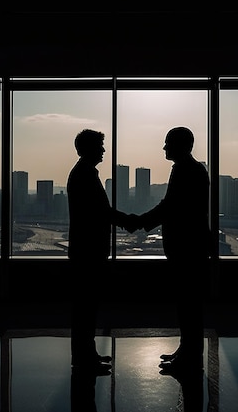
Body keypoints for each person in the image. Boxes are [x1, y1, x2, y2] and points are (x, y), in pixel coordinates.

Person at [134, 126, 211, 372]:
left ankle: (189, 355)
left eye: (168, 143)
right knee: (188, 302)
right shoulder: (193, 169)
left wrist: (141, 221)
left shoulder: (185, 170)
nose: (164, 148)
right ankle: (187, 349)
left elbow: (170, 206)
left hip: (187, 247)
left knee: (188, 303)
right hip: (191, 246)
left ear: (180, 145)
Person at [67, 128, 135, 374]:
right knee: (86, 307)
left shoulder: (83, 173)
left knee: (86, 307)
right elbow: (101, 212)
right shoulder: (85, 175)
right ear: (89, 148)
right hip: (88, 251)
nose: (104, 150)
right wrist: (129, 220)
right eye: (100, 146)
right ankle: (85, 358)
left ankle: (87, 355)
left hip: (86, 250)